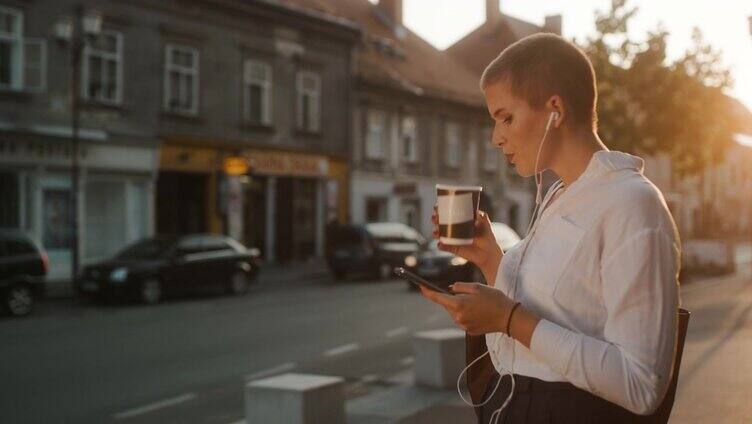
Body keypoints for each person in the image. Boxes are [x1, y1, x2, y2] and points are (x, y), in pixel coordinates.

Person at [419, 33, 681, 423]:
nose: (496, 138)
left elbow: (642, 385)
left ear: (554, 109)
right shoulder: (558, 195)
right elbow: (552, 315)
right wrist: (492, 260)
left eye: (506, 117)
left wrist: (509, 319)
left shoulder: (632, 204)